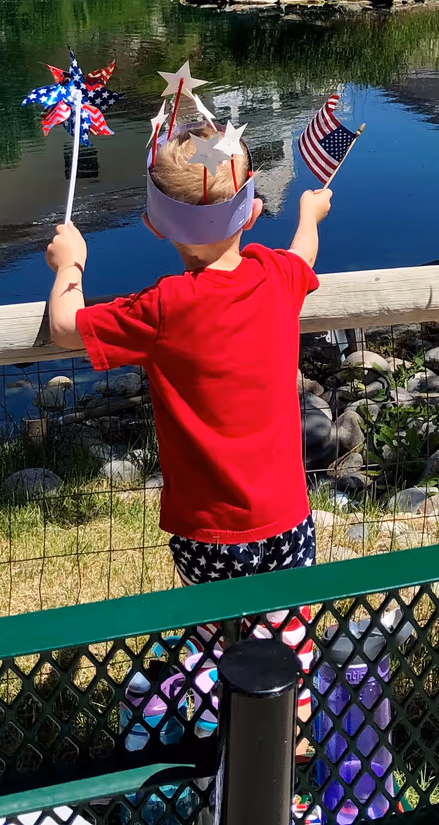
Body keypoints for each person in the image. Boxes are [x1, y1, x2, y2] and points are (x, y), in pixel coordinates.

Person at [44, 122, 332, 746]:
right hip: (286, 516)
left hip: (205, 528)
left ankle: (219, 731)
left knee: (216, 631)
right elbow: (304, 254)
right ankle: (292, 736)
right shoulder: (277, 276)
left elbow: (67, 327)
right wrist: (311, 212)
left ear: (155, 226)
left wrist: (70, 263)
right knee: (288, 634)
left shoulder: (162, 308)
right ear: (252, 210)